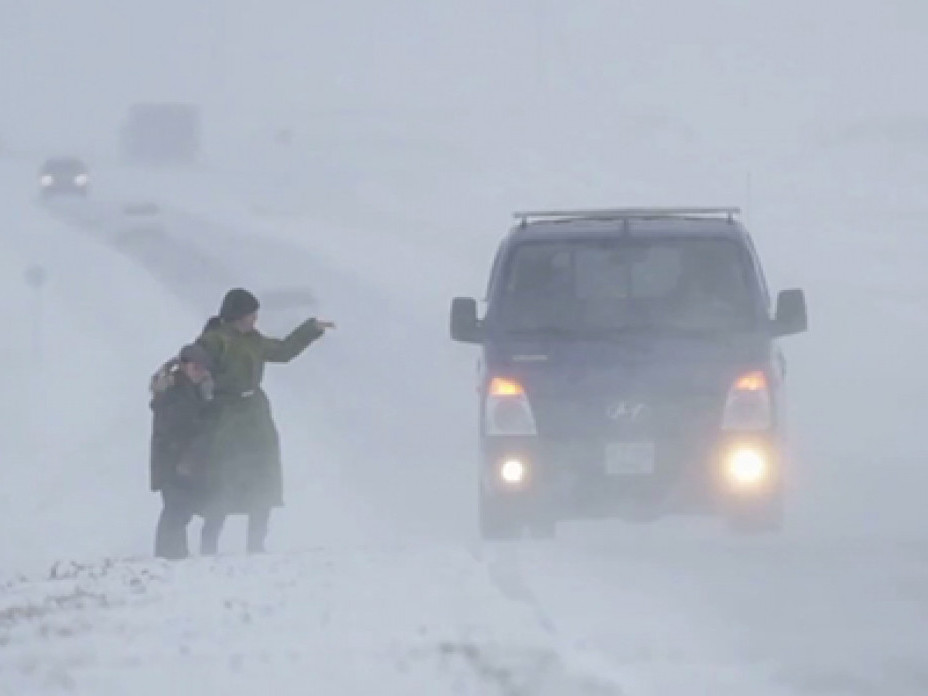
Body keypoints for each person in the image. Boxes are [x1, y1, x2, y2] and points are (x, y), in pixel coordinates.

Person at [197, 287, 335, 554]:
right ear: (237, 315)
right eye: (251, 314)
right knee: (223, 478)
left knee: (263, 476)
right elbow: (199, 369)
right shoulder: (214, 341)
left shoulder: (254, 340)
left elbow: (283, 351)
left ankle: (256, 544)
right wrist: (207, 395)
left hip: (255, 414)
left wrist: (311, 330)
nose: (255, 319)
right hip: (225, 415)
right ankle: (209, 545)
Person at [150, 343, 216, 560]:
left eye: (204, 368)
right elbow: (176, 427)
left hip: (186, 460)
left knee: (182, 509)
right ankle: (168, 554)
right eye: (196, 367)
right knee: (176, 509)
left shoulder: (193, 390)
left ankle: (174, 553)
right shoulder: (174, 392)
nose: (201, 372)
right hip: (173, 460)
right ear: (185, 366)